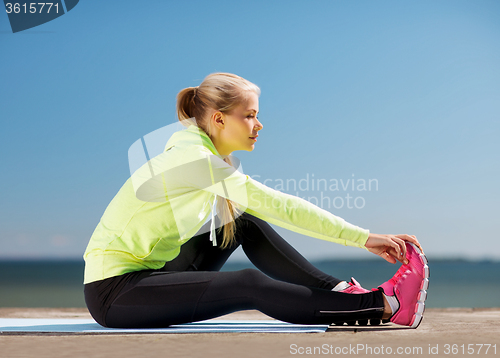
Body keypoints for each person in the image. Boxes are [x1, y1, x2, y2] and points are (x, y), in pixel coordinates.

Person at [83, 72, 428, 329]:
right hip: (116, 292)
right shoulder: (192, 161)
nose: (258, 125)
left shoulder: (200, 152)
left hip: (154, 273)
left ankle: (340, 292)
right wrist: (363, 237)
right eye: (248, 115)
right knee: (248, 284)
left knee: (241, 222)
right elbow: (280, 206)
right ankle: (383, 305)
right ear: (219, 119)